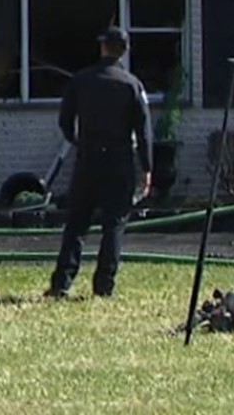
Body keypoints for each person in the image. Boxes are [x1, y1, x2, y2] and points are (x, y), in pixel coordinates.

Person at [45, 26, 153, 299]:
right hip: (120, 160)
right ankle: (104, 285)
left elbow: (65, 121)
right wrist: (147, 167)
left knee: (77, 224)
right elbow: (144, 130)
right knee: (114, 224)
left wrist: (78, 141)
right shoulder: (132, 85)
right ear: (124, 51)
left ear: (103, 47)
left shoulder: (81, 81)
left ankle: (62, 283)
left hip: (88, 159)